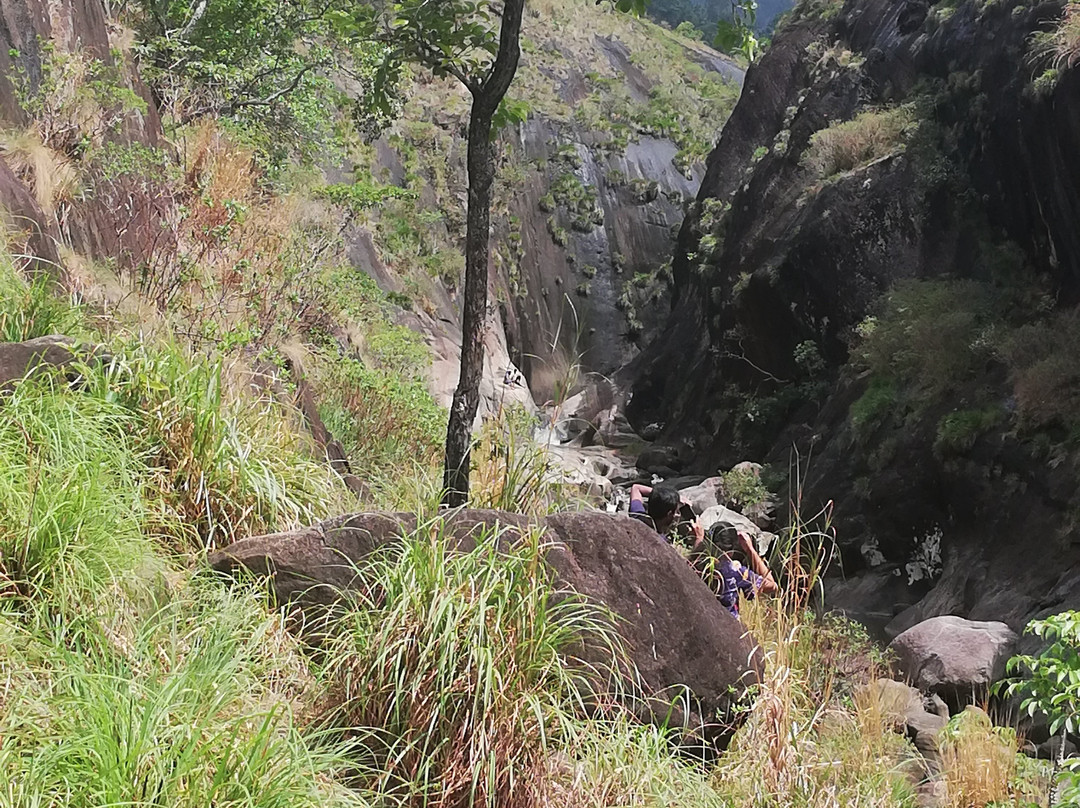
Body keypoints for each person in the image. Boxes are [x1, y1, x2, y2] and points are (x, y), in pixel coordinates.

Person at [691, 523, 778, 620]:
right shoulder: (736, 571)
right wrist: (750, 550)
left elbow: (695, 558)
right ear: (732, 550)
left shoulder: (698, 564)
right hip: (727, 625)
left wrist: (699, 538)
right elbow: (772, 585)